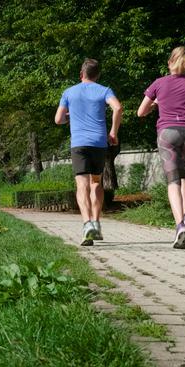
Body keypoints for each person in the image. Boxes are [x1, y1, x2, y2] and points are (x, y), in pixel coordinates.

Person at [137, 46, 185, 249]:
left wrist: (155, 104)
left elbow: (140, 112)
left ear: (170, 63)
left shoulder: (159, 83)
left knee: (173, 181)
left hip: (167, 134)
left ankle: (180, 225)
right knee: (182, 174)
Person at [55, 58, 122, 246]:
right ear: (97, 75)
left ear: (81, 74)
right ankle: (97, 223)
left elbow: (58, 119)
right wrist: (113, 132)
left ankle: (87, 225)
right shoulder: (104, 90)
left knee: (81, 185)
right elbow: (117, 107)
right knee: (95, 183)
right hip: (99, 144)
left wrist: (70, 115)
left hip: (79, 144)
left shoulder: (69, 92)